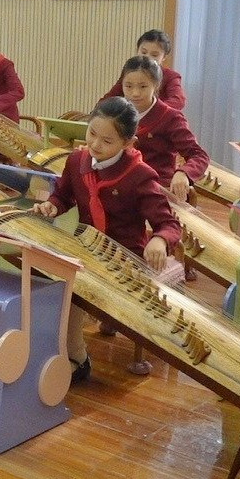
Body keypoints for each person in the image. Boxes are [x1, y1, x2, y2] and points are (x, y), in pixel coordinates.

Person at [32, 97, 181, 383]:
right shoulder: (77, 161)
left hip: (125, 256)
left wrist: (160, 240)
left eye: (107, 140)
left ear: (129, 142)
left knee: (73, 282)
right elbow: (63, 194)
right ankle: (67, 353)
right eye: (91, 134)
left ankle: (74, 357)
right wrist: (52, 204)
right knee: (56, 275)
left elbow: (168, 224)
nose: (96, 145)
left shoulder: (139, 175)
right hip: (89, 249)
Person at [118, 56, 208, 200]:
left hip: (157, 189)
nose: (135, 93)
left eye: (143, 86)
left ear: (156, 85)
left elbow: (199, 155)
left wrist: (183, 173)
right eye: (128, 86)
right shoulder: (117, 112)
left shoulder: (170, 117)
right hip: (120, 186)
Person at [100, 29, 187, 111]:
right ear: (137, 50)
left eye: (154, 55)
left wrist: (153, 110)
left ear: (164, 57)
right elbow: (111, 97)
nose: (147, 57)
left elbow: (178, 100)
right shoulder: (130, 72)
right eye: (143, 52)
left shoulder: (171, 76)